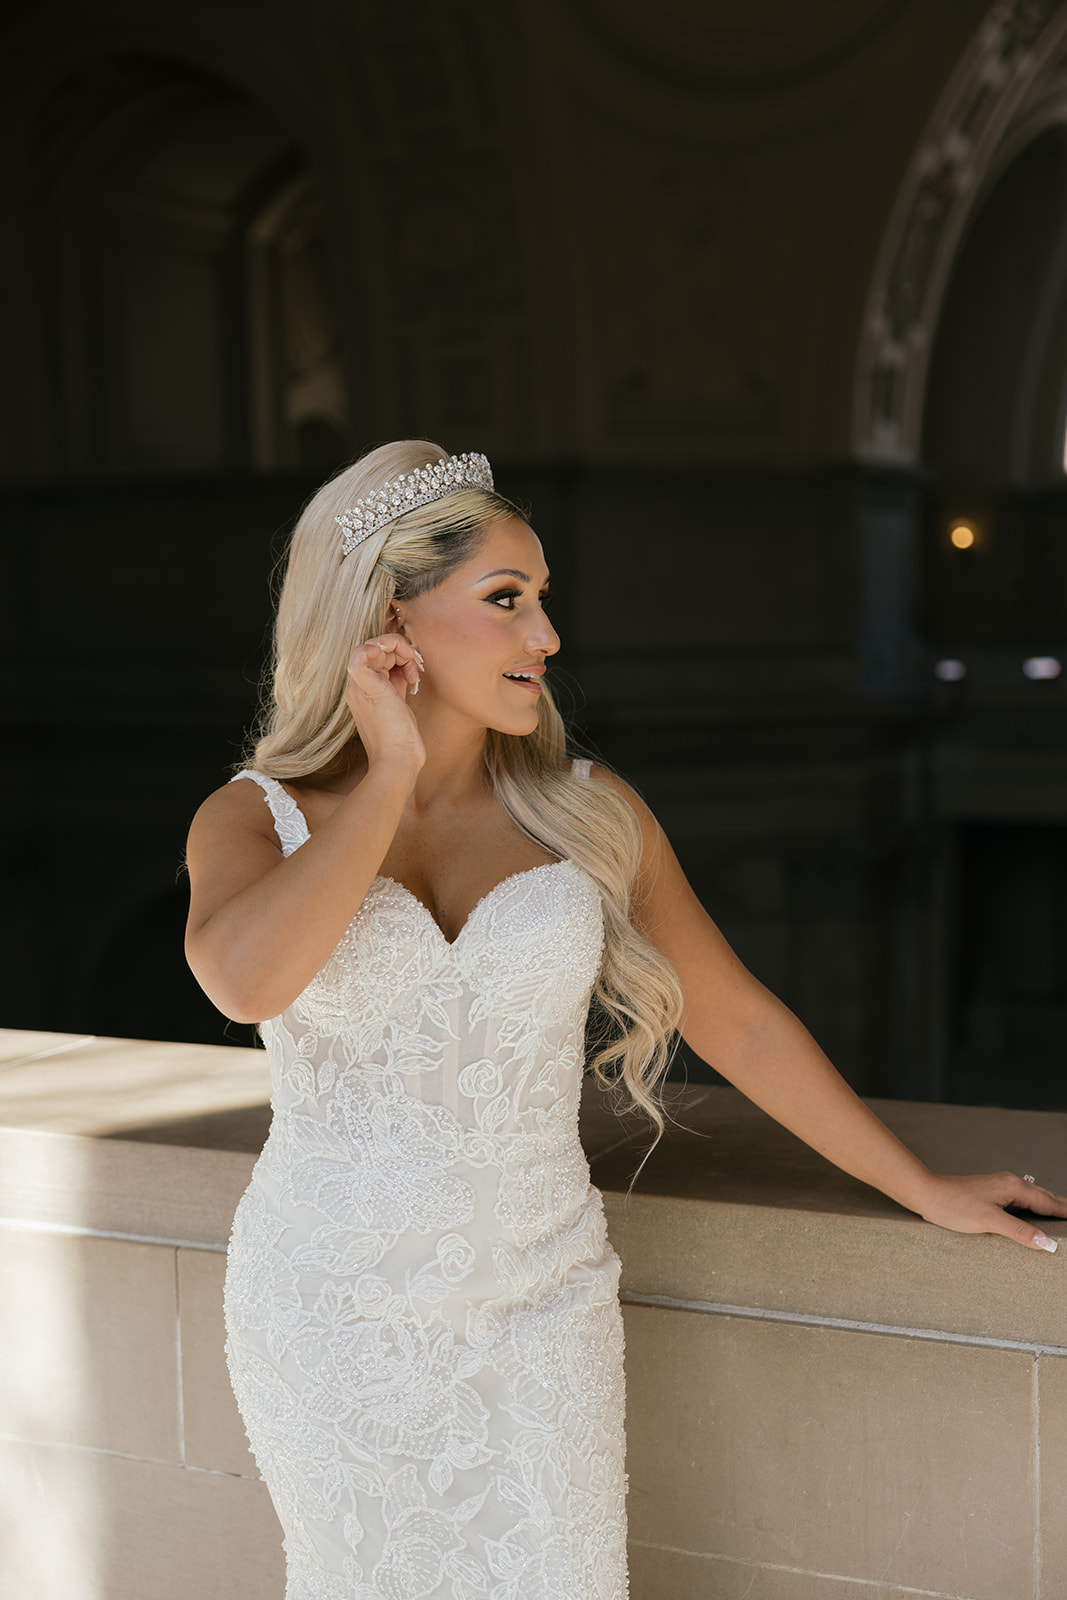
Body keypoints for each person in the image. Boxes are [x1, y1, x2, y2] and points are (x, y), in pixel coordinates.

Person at [184, 440, 1067, 1600]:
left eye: (541, 600)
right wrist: (388, 769)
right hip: (329, 1316)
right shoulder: (257, 817)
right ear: (385, 620)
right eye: (505, 601)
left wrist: (924, 1190)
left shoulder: (587, 813)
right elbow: (247, 983)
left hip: (538, 1309)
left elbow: (739, 1022)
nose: (544, 637)